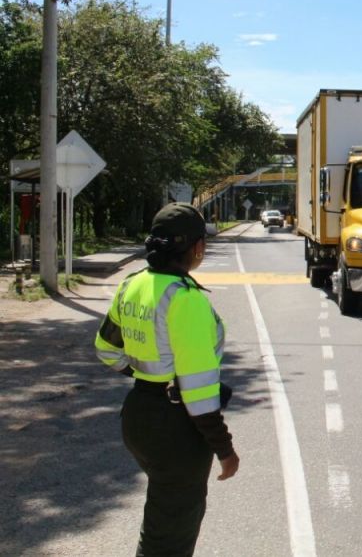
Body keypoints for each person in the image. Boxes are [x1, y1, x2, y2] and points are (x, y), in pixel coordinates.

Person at [95, 203, 239, 556]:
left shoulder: (133, 284)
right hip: (176, 430)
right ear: (194, 248)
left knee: (163, 519)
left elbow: (106, 349)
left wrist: (149, 378)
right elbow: (199, 391)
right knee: (170, 540)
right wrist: (225, 449)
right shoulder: (184, 298)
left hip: (139, 415)